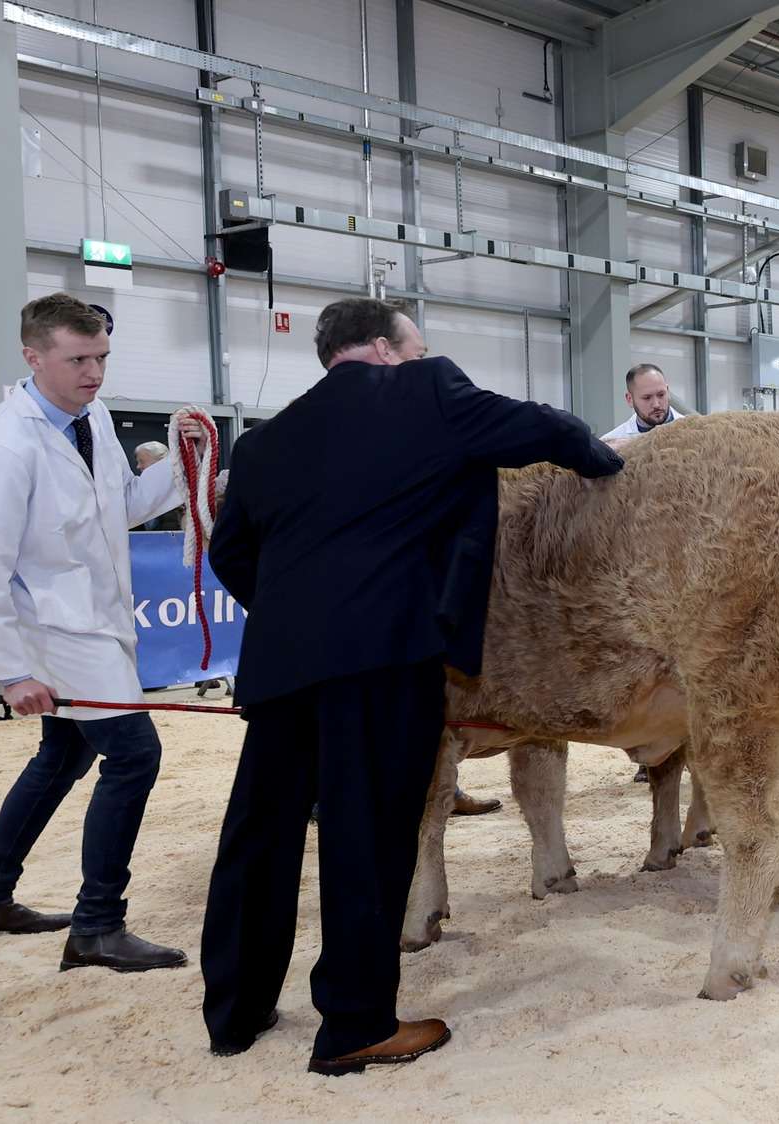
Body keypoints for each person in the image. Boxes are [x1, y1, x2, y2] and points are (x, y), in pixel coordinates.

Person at [200, 298, 625, 1074]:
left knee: (259, 837)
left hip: (282, 667)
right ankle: (355, 1025)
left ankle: (235, 1012)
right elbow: (543, 427)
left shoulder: (264, 443)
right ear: (385, 350)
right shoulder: (425, 390)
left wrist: (305, 616)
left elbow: (230, 555)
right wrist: (607, 462)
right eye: (417, 344)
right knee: (366, 837)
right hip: (380, 661)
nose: (425, 354)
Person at [0, 293, 201, 970]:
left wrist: (183, 467)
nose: (94, 372)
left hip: (94, 623)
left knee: (63, 757)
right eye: (78, 359)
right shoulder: (8, 442)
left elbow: (123, 504)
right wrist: (11, 671)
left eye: (102, 357)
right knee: (134, 755)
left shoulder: (93, 418)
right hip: (51, 633)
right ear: (33, 357)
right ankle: (98, 925)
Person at [599, 363, 681, 441]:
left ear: (668, 391)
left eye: (661, 395)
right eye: (647, 398)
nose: (656, 405)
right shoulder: (611, 444)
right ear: (630, 399)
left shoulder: (692, 429)